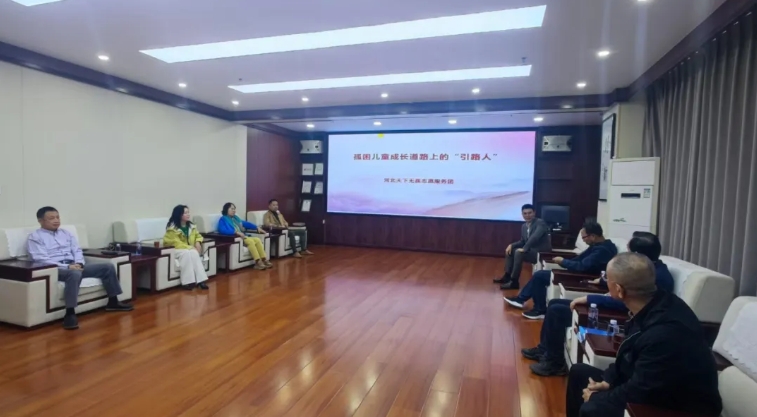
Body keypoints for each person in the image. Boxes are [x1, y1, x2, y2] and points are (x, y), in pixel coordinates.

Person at [565, 252, 721, 417]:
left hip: (679, 406)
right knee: (579, 373)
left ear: (618, 290)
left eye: (607, 278)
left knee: (593, 408)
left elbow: (641, 391)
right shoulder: (657, 302)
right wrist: (608, 380)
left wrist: (597, 397)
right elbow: (628, 359)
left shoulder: (664, 335)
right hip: (651, 383)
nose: (604, 281)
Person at [524, 232, 675, 377]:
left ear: (637, 255)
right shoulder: (648, 269)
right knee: (555, 304)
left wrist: (591, 298)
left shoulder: (656, 278)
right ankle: (544, 350)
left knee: (557, 311)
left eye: (629, 251)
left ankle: (554, 363)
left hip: (617, 313)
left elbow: (626, 303)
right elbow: (623, 281)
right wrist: (603, 281)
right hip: (611, 304)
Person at [26, 206, 133, 330]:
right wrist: (67, 266)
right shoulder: (35, 237)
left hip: (74, 265)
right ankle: (70, 313)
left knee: (107, 267)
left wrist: (79, 263)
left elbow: (77, 250)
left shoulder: (66, 233)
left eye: (58, 217)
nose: (56, 220)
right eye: (51, 218)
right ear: (40, 221)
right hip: (55, 269)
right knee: (74, 274)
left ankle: (113, 302)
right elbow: (40, 259)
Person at [504, 221, 617, 320]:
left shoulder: (602, 250)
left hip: (583, 277)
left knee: (539, 276)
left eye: (584, 238)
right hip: (579, 272)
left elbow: (582, 266)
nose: (583, 241)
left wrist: (563, 262)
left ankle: (537, 309)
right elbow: (579, 259)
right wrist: (565, 261)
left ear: (593, 236)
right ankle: (525, 301)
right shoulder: (598, 245)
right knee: (540, 275)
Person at [495, 204, 552, 290]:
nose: (527, 215)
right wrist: (511, 245)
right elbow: (522, 241)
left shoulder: (540, 223)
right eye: (525, 213)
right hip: (531, 251)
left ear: (534, 213)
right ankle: (507, 276)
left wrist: (525, 248)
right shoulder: (524, 226)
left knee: (518, 252)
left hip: (541, 253)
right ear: (522, 214)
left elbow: (535, 237)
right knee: (511, 250)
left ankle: (514, 282)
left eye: (530, 213)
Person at [163, 205, 210, 290]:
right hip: (175, 249)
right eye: (185, 213)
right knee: (187, 253)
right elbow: (175, 242)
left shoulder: (192, 226)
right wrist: (190, 247)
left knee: (193, 252)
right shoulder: (172, 228)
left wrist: (198, 242)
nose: (188, 214)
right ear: (179, 215)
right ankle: (188, 282)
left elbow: (198, 236)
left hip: (189, 249)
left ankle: (201, 281)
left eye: (188, 212)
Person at [217, 202, 272, 270]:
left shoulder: (235, 218)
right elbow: (222, 230)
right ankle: (258, 262)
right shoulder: (223, 219)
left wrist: (256, 227)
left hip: (243, 236)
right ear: (226, 209)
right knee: (250, 241)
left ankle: (264, 259)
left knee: (257, 240)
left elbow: (245, 223)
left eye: (234, 209)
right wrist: (236, 232)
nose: (234, 210)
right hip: (236, 238)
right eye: (232, 209)